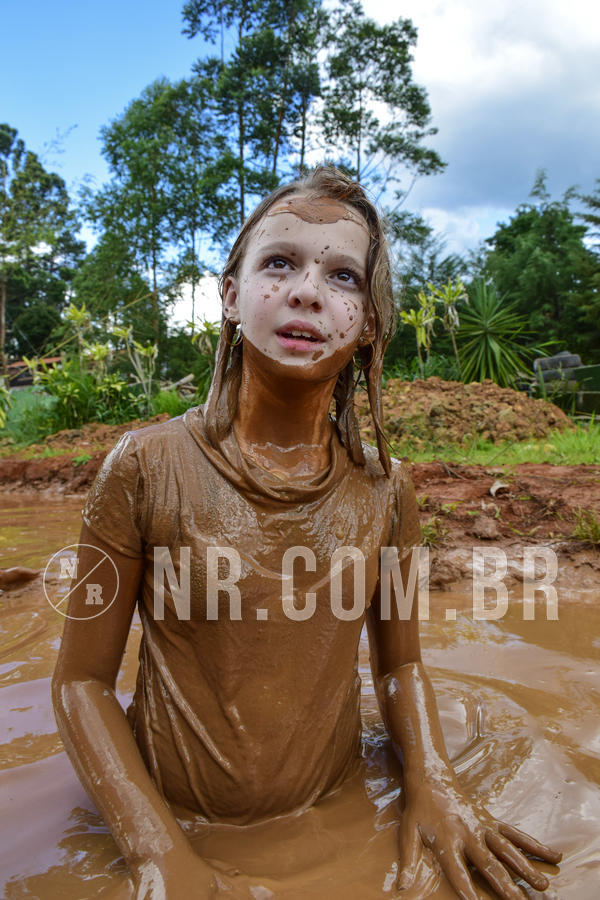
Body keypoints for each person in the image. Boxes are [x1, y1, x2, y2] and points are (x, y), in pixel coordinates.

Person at [52, 166, 561, 899]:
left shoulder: (386, 489)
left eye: (344, 276)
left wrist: (435, 787)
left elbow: (400, 668)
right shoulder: (143, 466)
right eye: (279, 262)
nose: (306, 290)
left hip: (334, 797)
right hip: (176, 819)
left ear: (370, 326)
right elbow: (78, 682)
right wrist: (154, 850)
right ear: (231, 296)